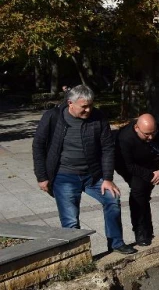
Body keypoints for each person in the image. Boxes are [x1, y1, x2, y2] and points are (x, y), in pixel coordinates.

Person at [31, 85, 132, 254]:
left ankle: (116, 243)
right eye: (83, 106)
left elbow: (107, 147)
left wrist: (107, 178)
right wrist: (42, 177)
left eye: (90, 105)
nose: (88, 110)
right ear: (70, 103)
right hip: (63, 176)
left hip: (93, 175)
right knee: (70, 219)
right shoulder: (52, 117)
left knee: (112, 200)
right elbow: (38, 146)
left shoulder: (98, 118)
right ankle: (78, 255)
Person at [115, 113, 159, 247]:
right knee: (138, 192)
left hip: (152, 162)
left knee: (144, 194)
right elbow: (129, 166)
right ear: (137, 128)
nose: (150, 137)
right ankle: (141, 231)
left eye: (153, 133)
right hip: (127, 165)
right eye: (146, 134)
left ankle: (147, 229)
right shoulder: (125, 138)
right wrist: (151, 176)